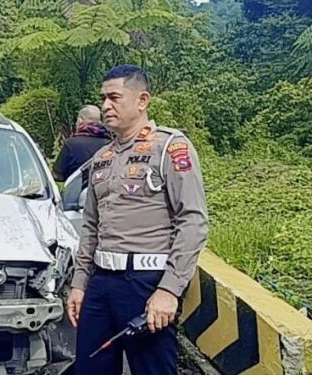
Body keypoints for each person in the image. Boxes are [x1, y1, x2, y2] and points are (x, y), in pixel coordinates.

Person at [66, 64, 209, 375]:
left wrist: (170, 290)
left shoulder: (169, 148)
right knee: (90, 369)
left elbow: (193, 221)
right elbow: (90, 225)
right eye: (103, 98)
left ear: (142, 100)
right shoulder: (102, 157)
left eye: (114, 97)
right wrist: (79, 284)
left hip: (146, 285)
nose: (105, 106)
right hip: (100, 283)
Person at [52, 105, 112, 182]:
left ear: (80, 121)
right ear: (99, 122)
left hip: (77, 191)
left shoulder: (71, 144)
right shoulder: (110, 144)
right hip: (104, 191)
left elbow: (57, 175)